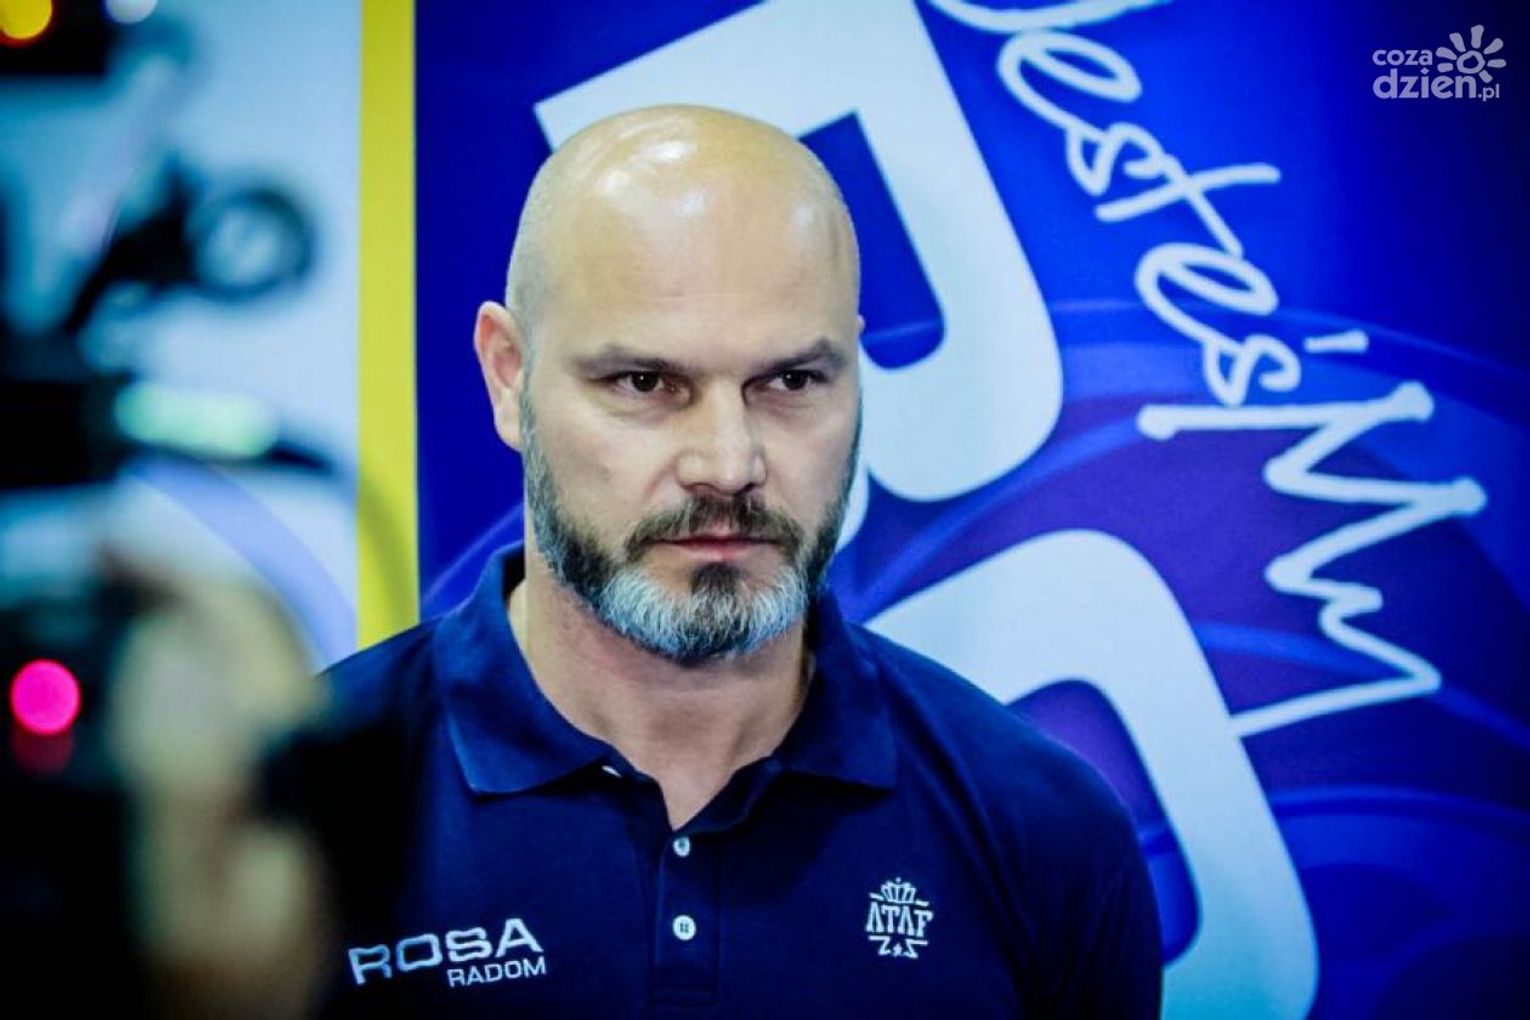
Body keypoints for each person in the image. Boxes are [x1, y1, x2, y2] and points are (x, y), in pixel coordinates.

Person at [297, 104, 1162, 1017]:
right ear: (509, 376)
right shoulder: (283, 811)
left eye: (791, 381)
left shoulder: (1044, 831)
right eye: (645, 382)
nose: (729, 463)